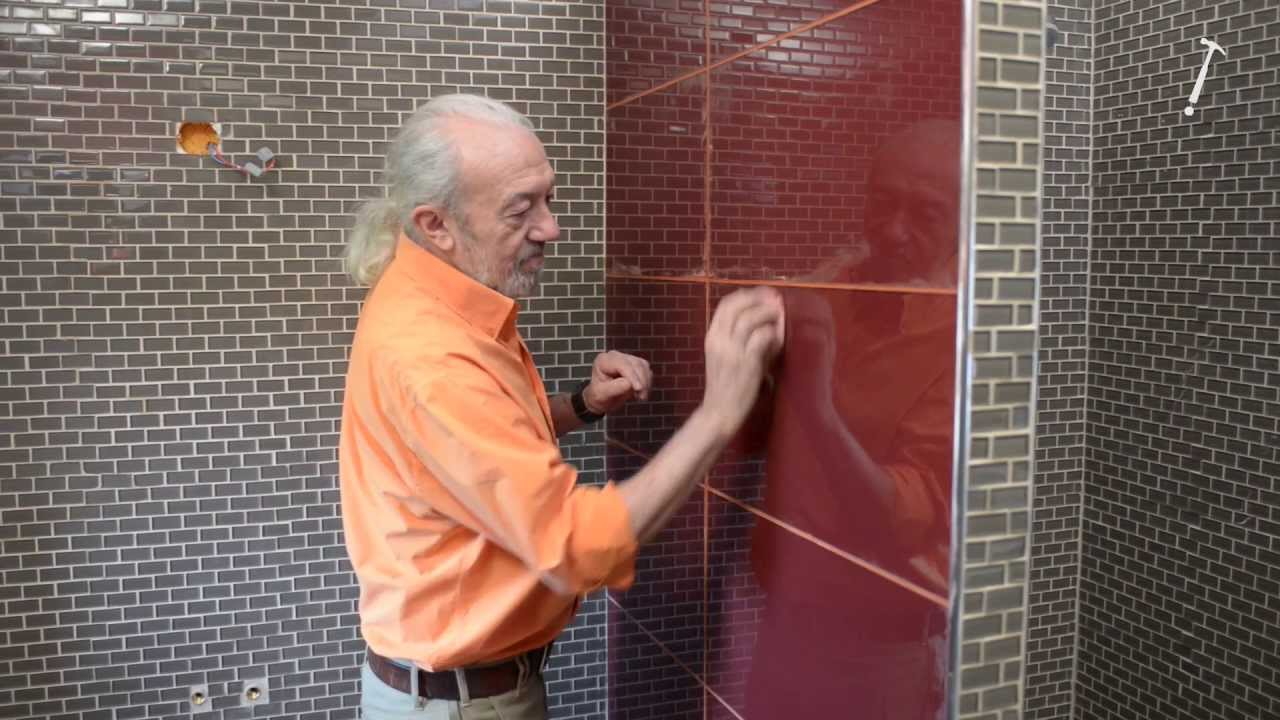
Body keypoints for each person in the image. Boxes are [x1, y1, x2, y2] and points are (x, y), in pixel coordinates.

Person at [337, 94, 786, 720]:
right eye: (521, 210)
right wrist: (720, 411)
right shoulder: (432, 355)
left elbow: (468, 453)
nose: (550, 228)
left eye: (548, 198)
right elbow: (578, 548)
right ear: (436, 224)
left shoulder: (431, 291)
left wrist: (581, 405)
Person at [729, 119, 962, 720]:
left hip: (881, 653)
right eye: (881, 203)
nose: (892, 231)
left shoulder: (964, 339)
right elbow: (752, 439)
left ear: (967, 219)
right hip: (786, 622)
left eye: (927, 214)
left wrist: (815, 405)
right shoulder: (835, 288)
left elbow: (898, 523)